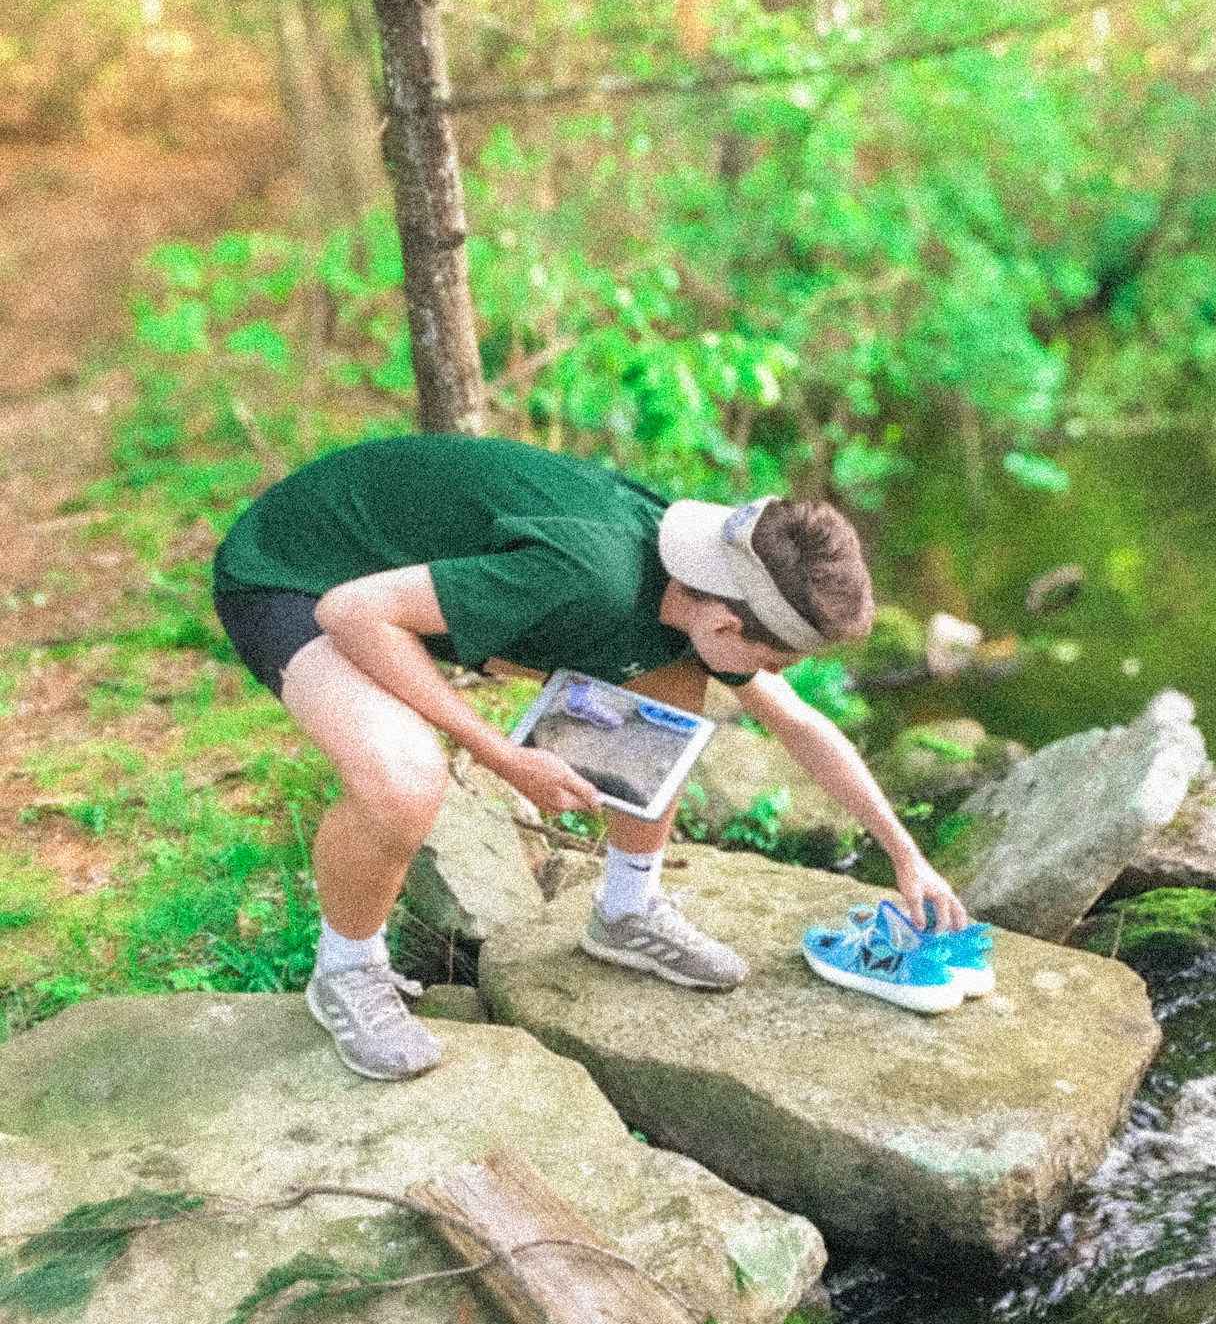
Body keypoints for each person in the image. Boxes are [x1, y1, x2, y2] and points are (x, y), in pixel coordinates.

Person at [212, 433, 967, 1080]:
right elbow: (351, 613)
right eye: (774, 659)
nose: (771, 678)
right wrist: (502, 756)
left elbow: (798, 727)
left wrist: (905, 853)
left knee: (674, 683)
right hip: (296, 577)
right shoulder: (593, 575)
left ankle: (627, 911)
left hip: (395, 578)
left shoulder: (702, 582)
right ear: (729, 622)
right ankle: (346, 971)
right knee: (407, 776)